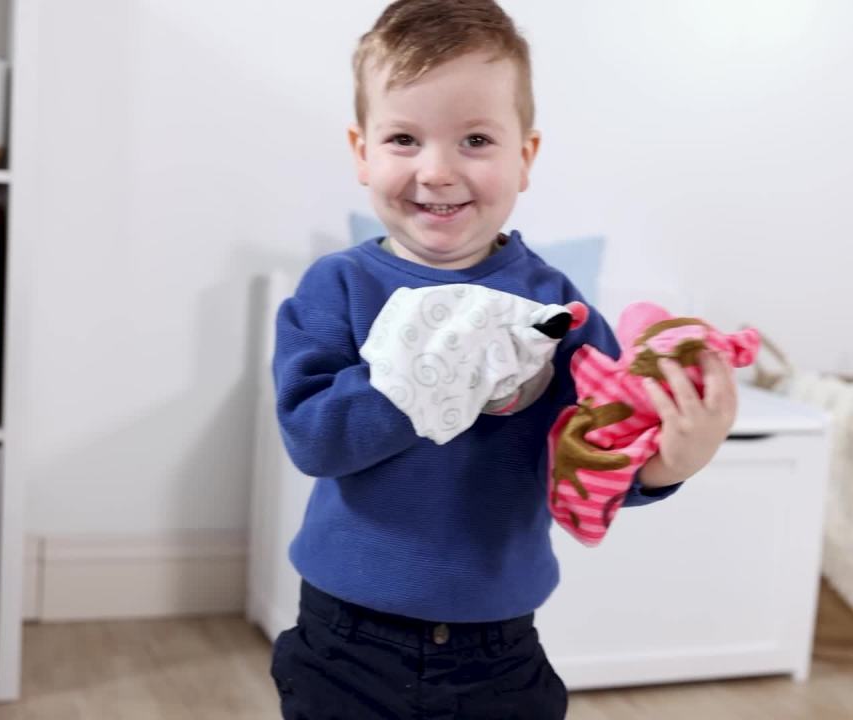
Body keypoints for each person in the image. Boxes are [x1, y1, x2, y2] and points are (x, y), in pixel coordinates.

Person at [269, 1, 738, 717]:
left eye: (476, 139)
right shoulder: (338, 287)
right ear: (361, 151)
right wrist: (440, 375)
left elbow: (596, 453)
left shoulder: (556, 305)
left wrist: (675, 458)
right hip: (346, 635)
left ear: (526, 157)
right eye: (403, 138)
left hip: (498, 645)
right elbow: (314, 438)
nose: (436, 170)